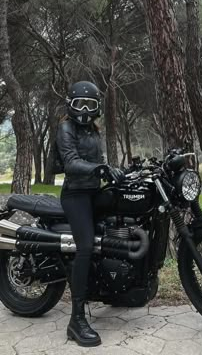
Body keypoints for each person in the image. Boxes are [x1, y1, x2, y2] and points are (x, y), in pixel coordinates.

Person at [56, 81, 124, 347]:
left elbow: (99, 161)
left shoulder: (94, 131)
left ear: (97, 109)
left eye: (90, 105)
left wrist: (114, 171)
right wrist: (99, 169)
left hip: (94, 192)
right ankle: (76, 320)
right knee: (85, 246)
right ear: (70, 104)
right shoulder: (65, 128)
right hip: (75, 194)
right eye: (80, 104)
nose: (84, 110)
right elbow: (71, 162)